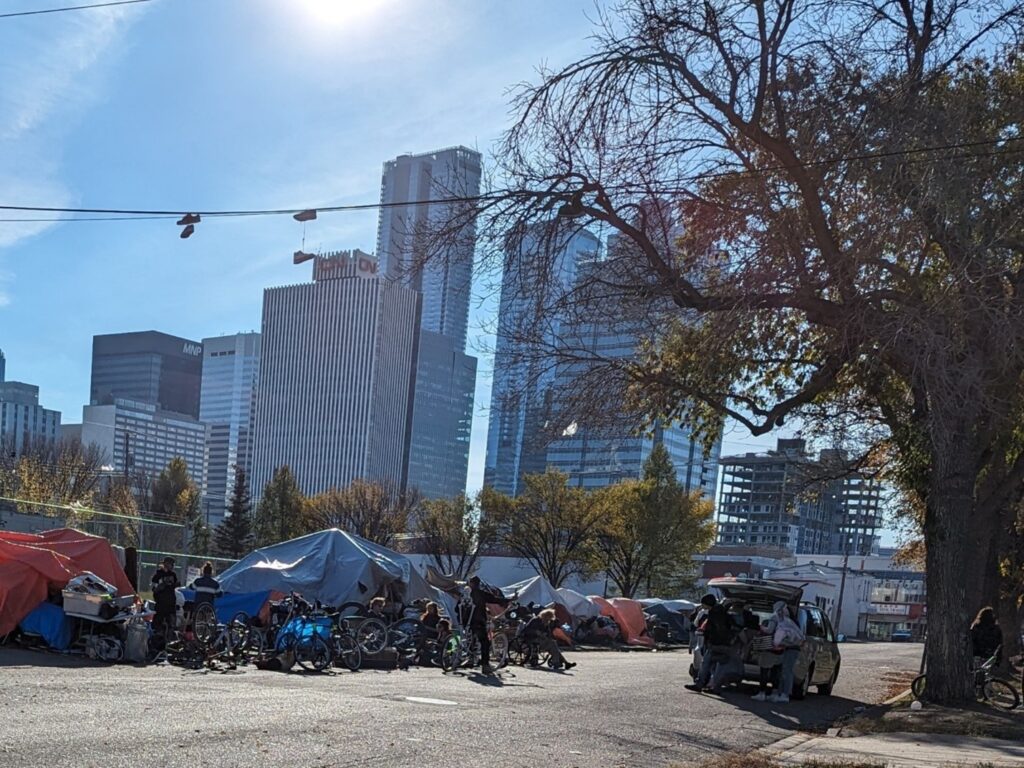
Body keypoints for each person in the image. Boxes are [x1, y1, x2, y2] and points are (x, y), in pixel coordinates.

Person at [686, 594, 733, 693]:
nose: (702, 606)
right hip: (725, 643)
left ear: (707, 603)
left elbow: (713, 628)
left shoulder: (714, 613)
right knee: (719, 666)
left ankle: (700, 685)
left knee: (706, 664)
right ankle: (715, 687)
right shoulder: (723, 612)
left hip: (715, 643)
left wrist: (707, 634)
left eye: (703, 604)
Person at [467, 575, 509, 674]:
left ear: (470, 584)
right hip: (478, 621)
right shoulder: (481, 594)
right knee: (485, 642)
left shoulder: (466, 594)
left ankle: (470, 658)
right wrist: (509, 600)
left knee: (471, 639)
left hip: (465, 621)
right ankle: (485, 665)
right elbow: (495, 599)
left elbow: (457, 608)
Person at [771, 601, 805, 703]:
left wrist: (776, 644)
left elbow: (778, 640)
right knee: (784, 672)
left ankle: (785, 694)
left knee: (787, 672)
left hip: (792, 650)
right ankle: (781, 693)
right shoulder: (790, 622)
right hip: (791, 649)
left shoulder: (785, 623)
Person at [150, 557, 180, 636]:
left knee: (171, 621)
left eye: (173, 564)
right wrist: (159, 587)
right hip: (161, 601)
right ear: (165, 564)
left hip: (170, 601)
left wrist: (175, 585)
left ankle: (169, 637)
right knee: (158, 621)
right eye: (171, 564)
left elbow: (174, 585)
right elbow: (153, 588)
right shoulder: (158, 574)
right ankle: (157, 636)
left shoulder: (173, 575)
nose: (172, 566)